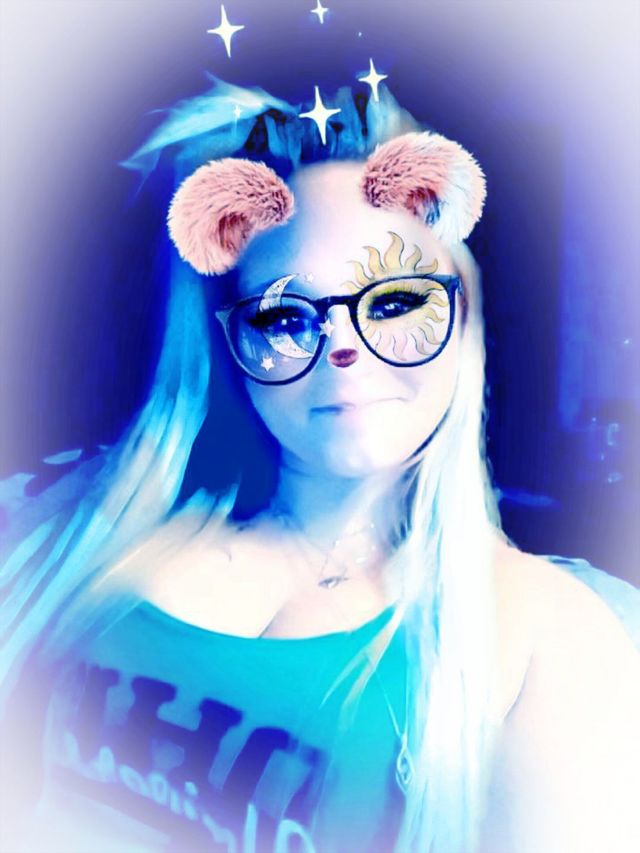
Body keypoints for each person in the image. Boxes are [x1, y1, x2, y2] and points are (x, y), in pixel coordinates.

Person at [1, 80, 639, 853]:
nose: (344, 348)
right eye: (283, 314)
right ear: (229, 341)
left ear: (461, 314)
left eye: (395, 301)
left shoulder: (545, 634)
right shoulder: (79, 528)